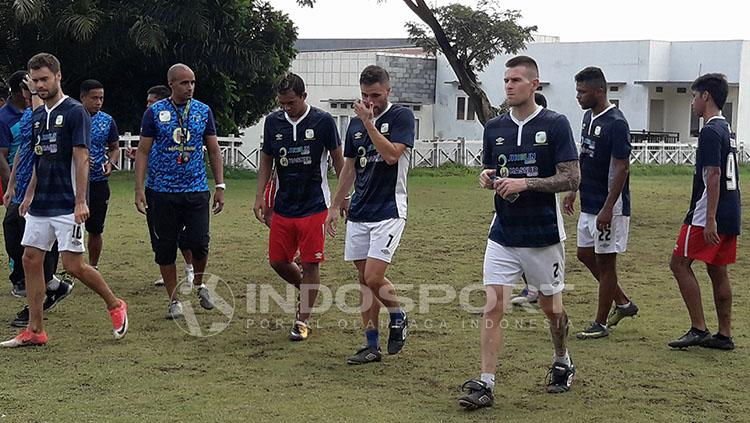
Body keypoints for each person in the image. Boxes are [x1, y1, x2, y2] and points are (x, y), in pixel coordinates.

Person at [458, 56, 580, 410]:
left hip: (543, 236)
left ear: (534, 85)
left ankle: (562, 359)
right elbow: (492, 169)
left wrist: (525, 183)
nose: (509, 86)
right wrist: (487, 178)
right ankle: (486, 383)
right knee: (493, 305)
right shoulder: (494, 127)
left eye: (515, 80)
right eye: (506, 80)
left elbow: (572, 177)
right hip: (503, 233)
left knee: (551, 309)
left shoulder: (555, 124)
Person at [1, 53, 127, 347]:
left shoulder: (74, 111)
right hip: (40, 203)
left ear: (58, 76)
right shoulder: (35, 117)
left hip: (67, 203)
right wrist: (28, 194)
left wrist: (81, 201)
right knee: (30, 259)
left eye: (44, 79)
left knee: (73, 265)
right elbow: (38, 159)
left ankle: (115, 303)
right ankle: (35, 330)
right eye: (35, 81)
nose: (39, 85)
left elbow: (81, 157)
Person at [326, 65, 412, 364]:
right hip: (360, 210)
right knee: (363, 280)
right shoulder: (354, 125)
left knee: (374, 276)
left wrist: (369, 123)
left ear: (388, 90)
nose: (370, 101)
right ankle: (371, 344)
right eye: (364, 95)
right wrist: (336, 206)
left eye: (375, 95)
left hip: (389, 209)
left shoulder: (401, 117)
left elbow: (391, 155)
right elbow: (349, 168)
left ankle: (399, 315)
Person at [253, 73, 344, 341]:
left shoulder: (323, 121)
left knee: (310, 262)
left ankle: (303, 320)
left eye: (291, 102)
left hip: (315, 205)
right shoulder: (273, 123)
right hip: (283, 205)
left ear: (304, 97)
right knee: (278, 261)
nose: (287, 108)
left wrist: (342, 198)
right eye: (282, 103)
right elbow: (266, 160)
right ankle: (308, 289)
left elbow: (339, 160)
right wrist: (259, 196)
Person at [135, 63, 225, 320]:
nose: (190, 88)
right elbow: (142, 151)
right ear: (171, 84)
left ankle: (199, 284)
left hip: (196, 188)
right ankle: (174, 300)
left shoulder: (203, 111)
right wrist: (138, 188)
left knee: (199, 242)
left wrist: (220, 185)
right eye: (184, 83)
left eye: (193, 82)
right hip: (161, 191)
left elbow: (215, 150)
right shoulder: (154, 113)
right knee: (165, 248)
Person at [563, 67, 637, 340]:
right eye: (578, 91)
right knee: (584, 255)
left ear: (599, 91)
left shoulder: (616, 123)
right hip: (589, 203)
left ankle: (600, 323)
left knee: (607, 265)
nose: (578, 96)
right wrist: (573, 189)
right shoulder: (587, 117)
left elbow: (621, 169)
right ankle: (624, 303)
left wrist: (608, 208)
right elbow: (585, 159)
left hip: (610, 208)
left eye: (583, 92)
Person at [668, 73, 740, 351]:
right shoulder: (726, 129)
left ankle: (698, 328)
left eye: (694, 96)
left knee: (679, 263)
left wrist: (709, 219)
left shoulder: (710, 130)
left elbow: (713, 175)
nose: (692, 103)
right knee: (717, 269)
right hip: (730, 210)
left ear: (706, 96)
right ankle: (724, 335)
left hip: (706, 213)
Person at [3, 73, 74, 328]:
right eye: (30, 88)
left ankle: (43, 296)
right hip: (22, 185)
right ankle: (52, 284)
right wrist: (11, 184)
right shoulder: (29, 118)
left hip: (45, 189)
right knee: (13, 230)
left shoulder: (54, 115)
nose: (32, 92)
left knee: (38, 248)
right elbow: (23, 149)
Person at [510, 91, 548, 308]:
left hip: (540, 210)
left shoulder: (549, 132)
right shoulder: (510, 132)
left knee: (534, 253)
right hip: (510, 208)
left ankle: (540, 289)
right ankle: (532, 289)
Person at [79, 79, 120, 269]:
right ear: (83, 97)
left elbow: (114, 148)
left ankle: (93, 266)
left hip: (97, 182)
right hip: (73, 181)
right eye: (94, 98)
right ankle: (73, 265)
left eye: (101, 98)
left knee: (95, 228)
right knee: (68, 226)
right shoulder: (72, 117)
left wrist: (110, 163)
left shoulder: (107, 121)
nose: (98, 102)